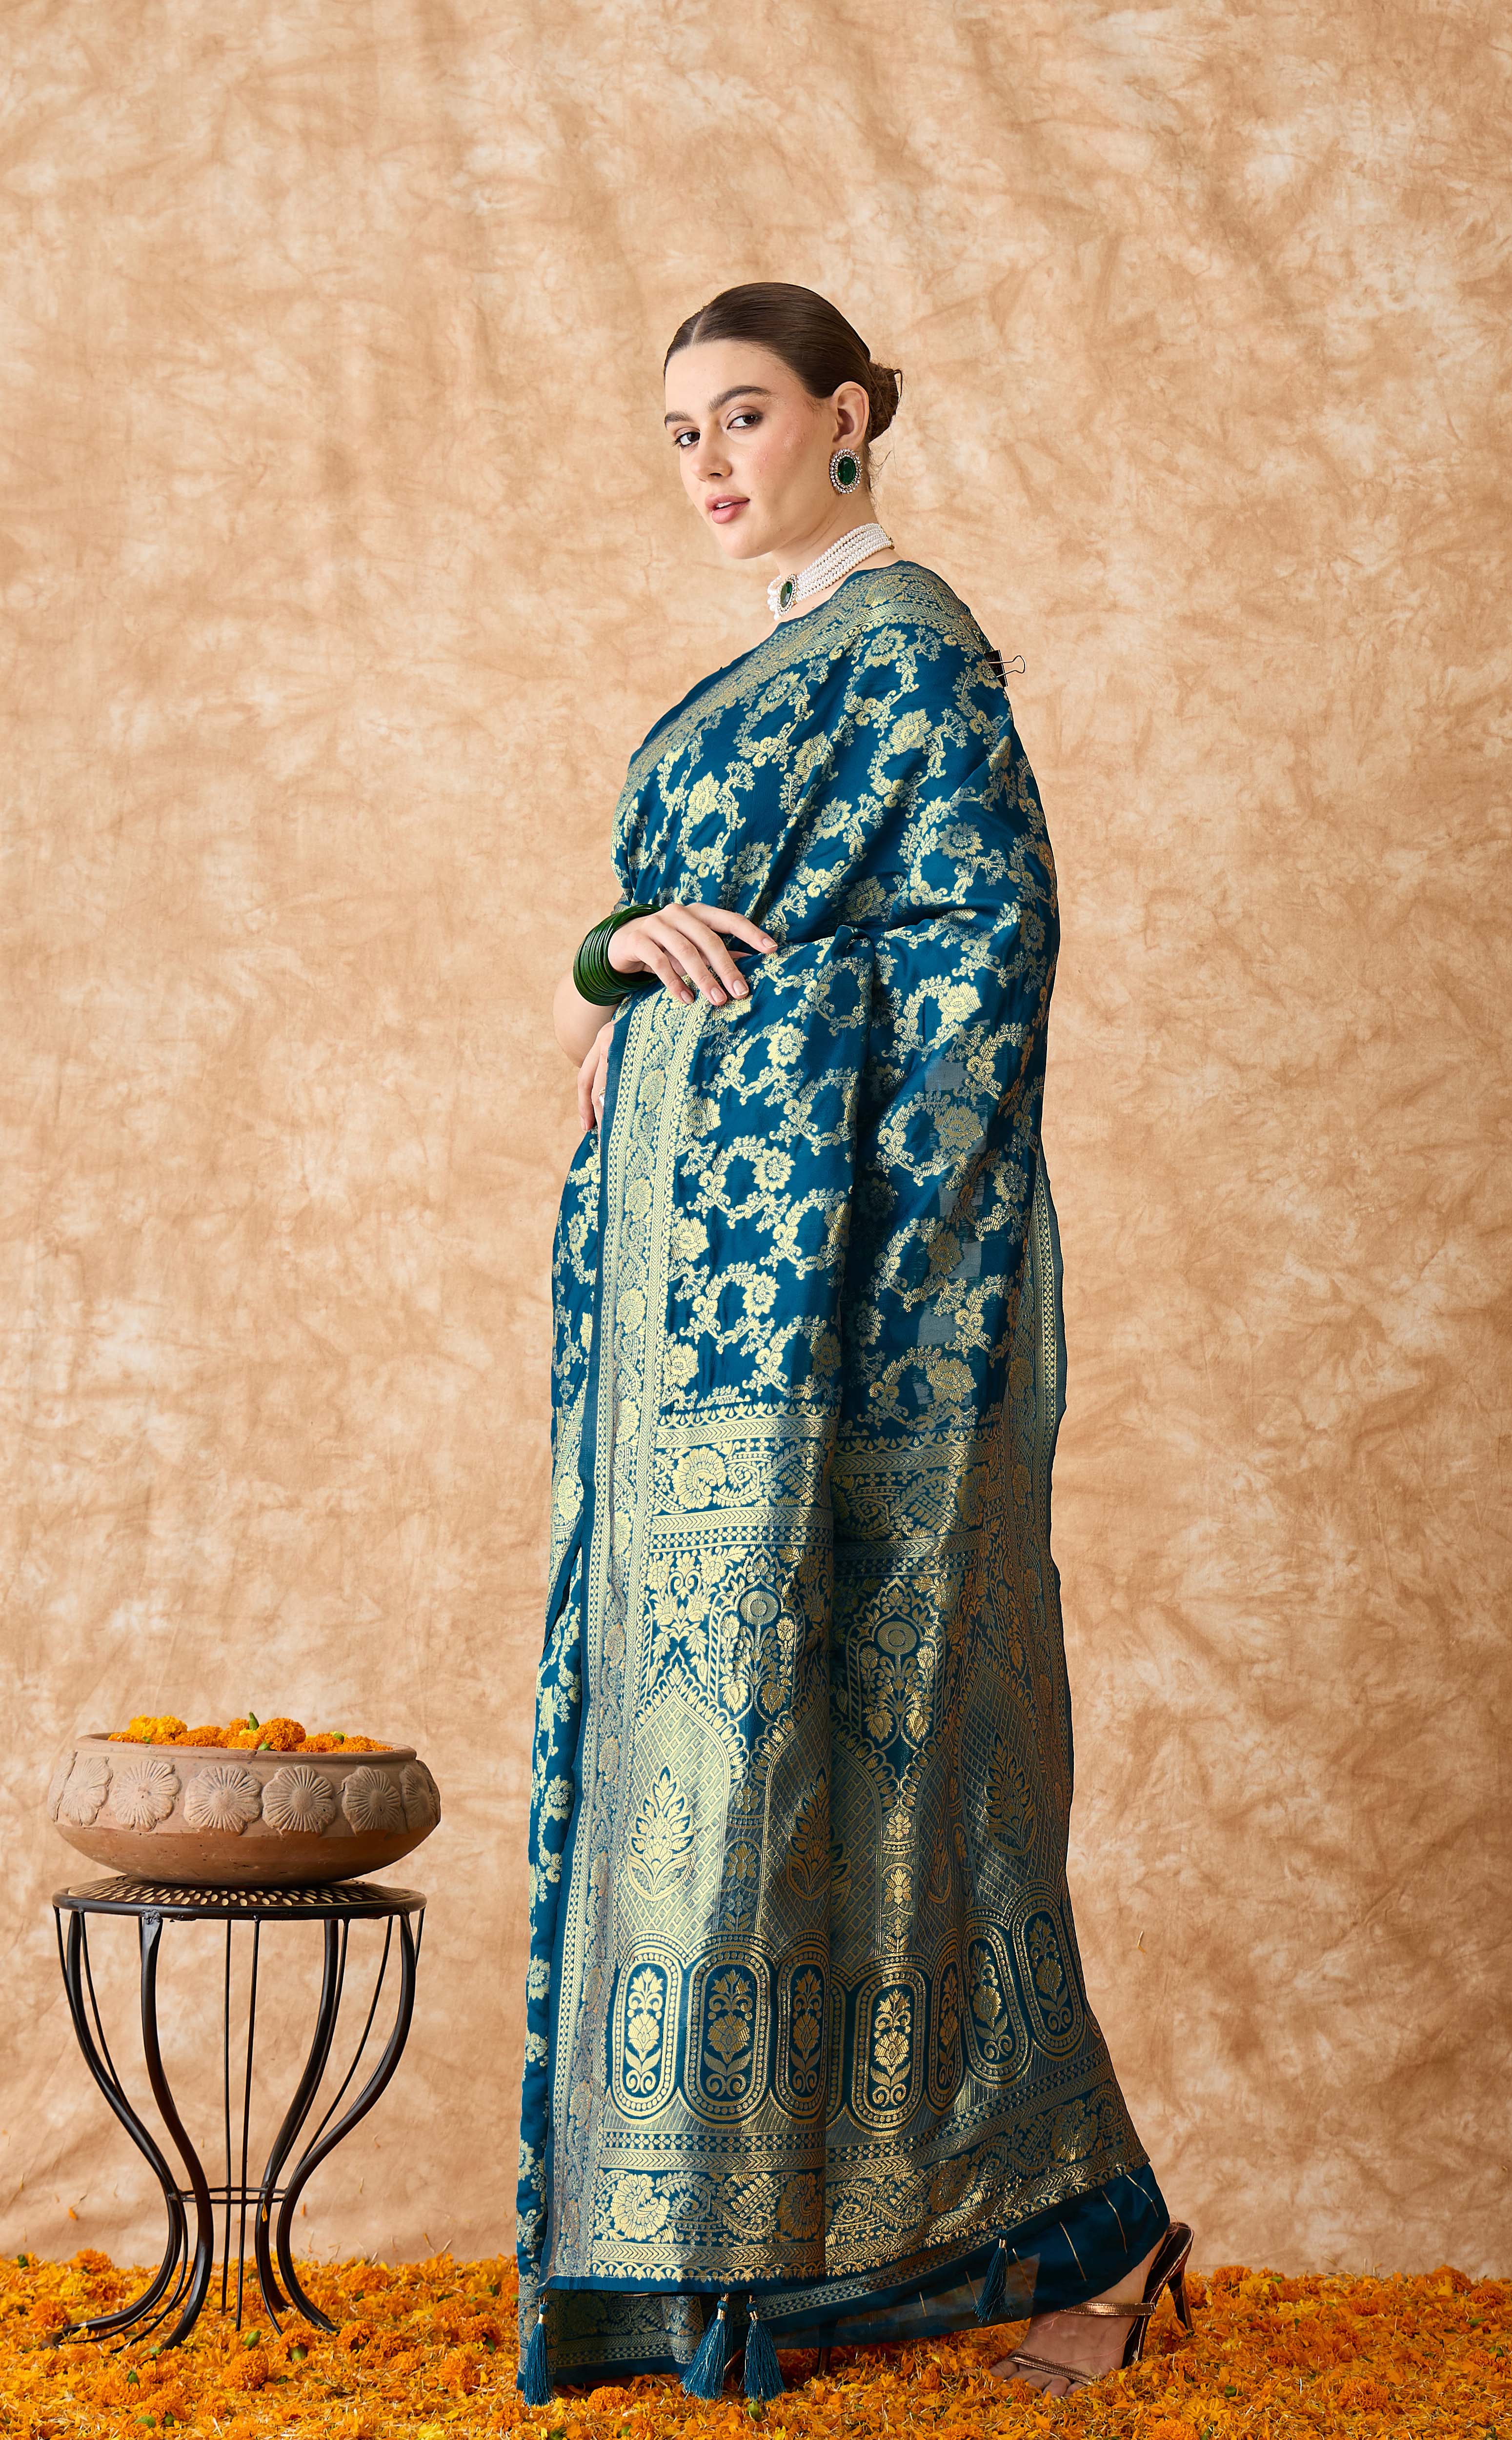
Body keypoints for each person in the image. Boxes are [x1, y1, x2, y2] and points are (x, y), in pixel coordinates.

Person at [515, 281, 1191, 2405]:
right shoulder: (752, 672)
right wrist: (618, 958)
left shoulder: (911, 654)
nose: (710, 462)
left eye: (745, 415)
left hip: (839, 1329)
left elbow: (990, 955)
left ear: (848, 416)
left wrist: (756, 1032)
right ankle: (740, 2270)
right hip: (693, 1337)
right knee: (710, 1762)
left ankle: (1086, 2229)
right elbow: (632, 957)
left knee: (882, 1765)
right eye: (680, 431)